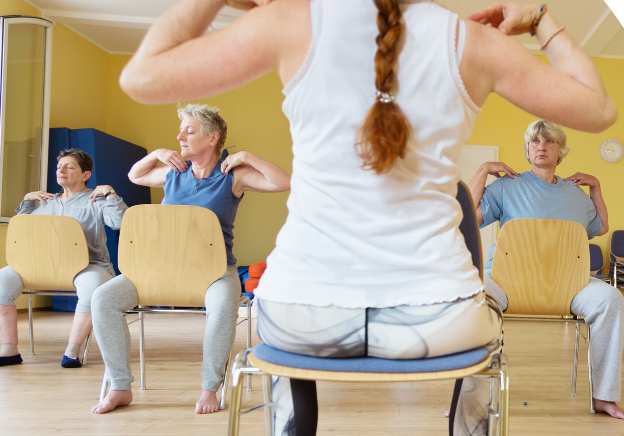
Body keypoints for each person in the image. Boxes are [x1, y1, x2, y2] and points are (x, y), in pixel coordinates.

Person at [115, 0, 617, 434]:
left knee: (287, 343)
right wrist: (542, 20)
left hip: (299, 315)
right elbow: (598, 110)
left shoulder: (292, 21)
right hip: (441, 320)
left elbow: (140, 77)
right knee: (488, 337)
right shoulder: (476, 43)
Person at [91, 103, 291, 415]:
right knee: (103, 298)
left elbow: (283, 182)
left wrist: (247, 157)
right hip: (159, 270)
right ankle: (119, 386)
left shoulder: (233, 175)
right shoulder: (174, 172)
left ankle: (209, 388)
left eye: (189, 130)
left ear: (213, 139)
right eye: (180, 130)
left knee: (224, 307)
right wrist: (157, 152)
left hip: (214, 271)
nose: (179, 136)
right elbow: (135, 175)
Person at [468, 119, 624, 419]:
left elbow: (601, 227)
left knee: (612, 300)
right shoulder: (507, 186)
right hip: (506, 281)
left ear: (559, 151)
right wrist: (483, 169)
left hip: (569, 285)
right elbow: (469, 216)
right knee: (473, 294)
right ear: (528, 150)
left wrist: (596, 187)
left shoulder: (576, 195)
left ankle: (605, 397)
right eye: (535, 142)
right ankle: (472, 396)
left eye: (549, 141)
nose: (541, 146)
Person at [0, 148, 127, 368]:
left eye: (69, 166)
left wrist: (110, 193)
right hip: (42, 266)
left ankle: (72, 350)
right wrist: (28, 200)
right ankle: (8, 349)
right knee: (1, 282)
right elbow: (22, 231)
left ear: (85, 175)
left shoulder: (95, 200)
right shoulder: (45, 202)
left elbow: (119, 222)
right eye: (59, 166)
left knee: (92, 289)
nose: (61, 170)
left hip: (89, 266)